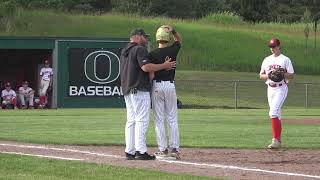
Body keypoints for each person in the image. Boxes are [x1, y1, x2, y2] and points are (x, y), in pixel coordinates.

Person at [120, 28, 176, 160]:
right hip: (139, 89)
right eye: (144, 37)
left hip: (128, 90)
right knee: (142, 120)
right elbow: (145, 67)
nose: (146, 39)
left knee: (131, 121)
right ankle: (141, 151)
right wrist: (164, 65)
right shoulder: (139, 49)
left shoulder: (124, 51)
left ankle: (130, 151)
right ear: (137, 36)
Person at [148, 25, 182, 159]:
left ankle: (163, 149)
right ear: (167, 38)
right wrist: (173, 30)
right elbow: (179, 40)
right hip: (170, 86)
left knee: (159, 120)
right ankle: (175, 149)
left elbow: (150, 74)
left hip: (157, 86)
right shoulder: (173, 50)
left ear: (157, 38)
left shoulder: (152, 54)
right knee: (172, 118)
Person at [259, 37, 294, 149]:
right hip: (270, 89)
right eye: (270, 47)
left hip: (281, 89)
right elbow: (261, 75)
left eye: (274, 46)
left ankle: (275, 140)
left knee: (273, 112)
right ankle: (278, 140)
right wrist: (269, 75)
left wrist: (282, 74)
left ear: (279, 46)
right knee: (276, 114)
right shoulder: (266, 60)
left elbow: (291, 75)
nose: (272, 48)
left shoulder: (285, 60)